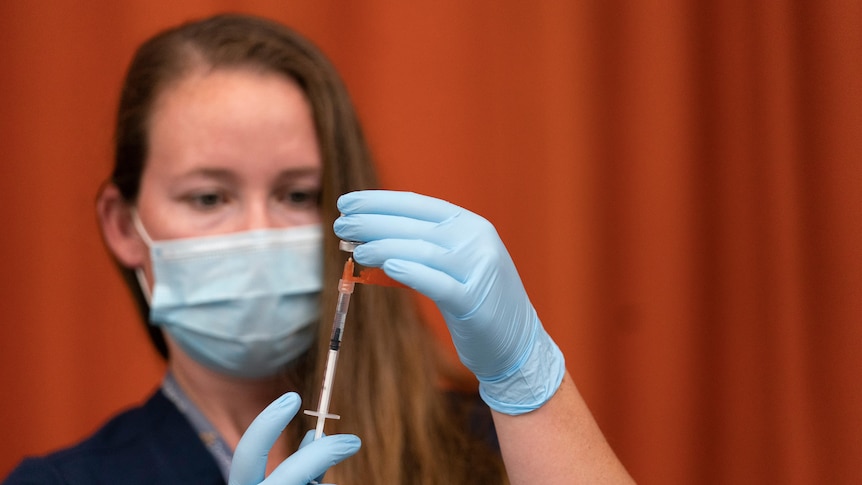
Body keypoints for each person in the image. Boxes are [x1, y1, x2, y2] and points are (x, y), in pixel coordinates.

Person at [3, 13, 633, 485]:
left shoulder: (478, 444)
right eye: (207, 198)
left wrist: (527, 381)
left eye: (299, 195)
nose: (260, 233)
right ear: (122, 225)